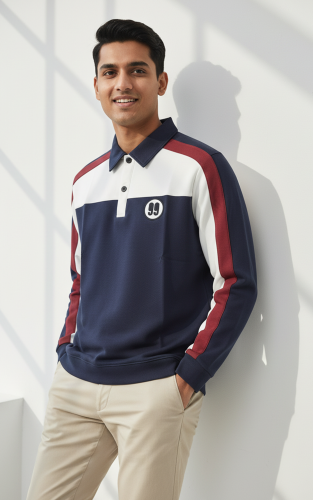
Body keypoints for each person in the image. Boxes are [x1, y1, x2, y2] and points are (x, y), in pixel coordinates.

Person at [27, 19, 257, 500]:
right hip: (77, 383)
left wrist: (189, 376)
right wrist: (66, 349)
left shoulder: (199, 166)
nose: (122, 83)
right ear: (96, 85)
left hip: (156, 388)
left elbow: (235, 280)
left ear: (160, 81)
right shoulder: (85, 182)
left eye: (137, 70)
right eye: (110, 72)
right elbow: (81, 280)